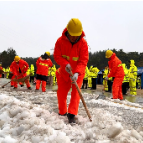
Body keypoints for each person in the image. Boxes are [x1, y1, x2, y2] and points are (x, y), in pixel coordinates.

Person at [53, 18, 89, 123]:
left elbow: (83, 60)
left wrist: (77, 72)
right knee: (61, 93)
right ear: (67, 31)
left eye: (76, 35)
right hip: (64, 73)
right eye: (72, 34)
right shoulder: (60, 41)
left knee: (76, 94)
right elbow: (57, 56)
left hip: (78, 74)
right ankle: (62, 112)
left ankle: (72, 114)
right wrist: (65, 64)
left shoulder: (83, 44)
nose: (74, 37)